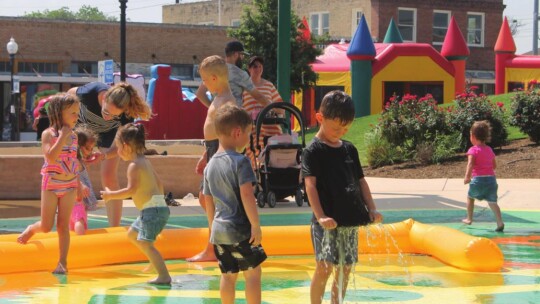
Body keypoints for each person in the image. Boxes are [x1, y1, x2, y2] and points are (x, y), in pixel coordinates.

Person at [302, 90, 383, 304]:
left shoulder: (349, 149)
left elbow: (361, 182)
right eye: (336, 127)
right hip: (325, 222)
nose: (341, 132)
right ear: (320, 118)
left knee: (345, 268)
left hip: (348, 220)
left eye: (346, 128)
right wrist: (320, 216)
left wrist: (372, 209)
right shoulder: (312, 151)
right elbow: (310, 185)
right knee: (324, 266)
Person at [202, 103, 266, 304]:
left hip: (219, 231)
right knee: (253, 273)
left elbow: (208, 199)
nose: (249, 139)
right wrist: (255, 225)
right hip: (240, 229)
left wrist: (212, 228)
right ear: (238, 132)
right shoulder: (240, 161)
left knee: (228, 276)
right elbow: (247, 195)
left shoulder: (210, 165)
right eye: (249, 133)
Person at [68, 82, 152, 227]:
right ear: (104, 98)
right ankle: (75, 219)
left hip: (108, 135)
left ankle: (114, 226)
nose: (108, 117)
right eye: (106, 112)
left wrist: (104, 156)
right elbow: (69, 93)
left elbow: (120, 146)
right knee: (72, 174)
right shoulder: (89, 94)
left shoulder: (126, 115)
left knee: (108, 176)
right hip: (82, 131)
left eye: (113, 116)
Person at [17, 93, 82, 274]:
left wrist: (79, 184)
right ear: (59, 113)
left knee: (63, 225)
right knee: (47, 226)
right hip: (52, 184)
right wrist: (62, 137)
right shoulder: (48, 134)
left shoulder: (75, 137)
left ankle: (62, 262)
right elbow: (51, 157)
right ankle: (32, 229)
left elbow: (73, 161)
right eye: (73, 113)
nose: (77, 117)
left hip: (69, 185)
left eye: (77, 113)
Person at [100, 123, 171, 285]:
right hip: (154, 209)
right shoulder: (144, 161)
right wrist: (159, 201)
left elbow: (131, 190)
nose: (118, 152)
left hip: (152, 211)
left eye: (118, 148)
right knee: (132, 234)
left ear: (125, 147)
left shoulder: (133, 166)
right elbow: (159, 183)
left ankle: (164, 275)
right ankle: (154, 263)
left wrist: (111, 195)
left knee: (145, 243)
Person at [188, 55, 237, 262]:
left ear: (215, 78)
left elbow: (231, 134)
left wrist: (216, 156)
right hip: (213, 150)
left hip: (220, 152)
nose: (204, 85)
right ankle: (216, 244)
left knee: (210, 199)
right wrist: (205, 155)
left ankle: (214, 247)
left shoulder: (227, 102)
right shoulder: (219, 98)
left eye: (205, 80)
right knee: (206, 198)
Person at [461, 120, 504, 232]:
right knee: (493, 202)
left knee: (470, 198)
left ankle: (469, 219)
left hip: (478, 180)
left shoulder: (473, 150)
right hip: (491, 180)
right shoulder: (489, 150)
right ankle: (499, 222)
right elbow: (494, 165)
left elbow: (470, 164)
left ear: (473, 136)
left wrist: (467, 177)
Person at [242, 55, 284, 168]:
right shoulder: (244, 87)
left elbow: (281, 109)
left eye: (260, 66)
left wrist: (270, 108)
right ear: (249, 68)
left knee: (274, 160)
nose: (258, 69)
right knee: (255, 161)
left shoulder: (269, 86)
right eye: (255, 66)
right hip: (253, 132)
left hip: (271, 130)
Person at [70, 125, 99, 235]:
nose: (90, 152)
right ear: (78, 147)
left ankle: (76, 238)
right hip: (77, 198)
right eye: (87, 148)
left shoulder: (77, 160)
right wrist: (81, 184)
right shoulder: (76, 162)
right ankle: (81, 239)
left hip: (77, 199)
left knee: (75, 220)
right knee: (80, 220)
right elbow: (72, 175)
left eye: (92, 149)